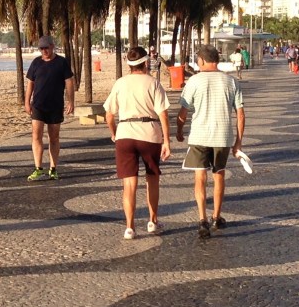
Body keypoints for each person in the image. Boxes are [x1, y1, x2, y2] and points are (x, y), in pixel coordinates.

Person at [175, 43, 245, 239]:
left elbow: (183, 112)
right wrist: (238, 142)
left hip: (199, 136)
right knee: (219, 174)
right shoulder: (231, 82)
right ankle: (216, 216)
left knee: (200, 177)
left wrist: (179, 130)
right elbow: (240, 114)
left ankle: (202, 218)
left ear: (202, 61)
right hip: (223, 136)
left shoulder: (194, 81)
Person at [103, 46, 172, 240]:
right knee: (152, 178)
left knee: (129, 183)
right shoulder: (153, 83)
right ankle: (153, 220)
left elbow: (109, 115)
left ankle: (130, 227)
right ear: (145, 62)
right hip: (149, 133)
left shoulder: (120, 83)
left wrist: (114, 133)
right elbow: (163, 113)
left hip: (125, 132)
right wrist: (167, 140)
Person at [25, 35, 75, 181]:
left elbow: (69, 82)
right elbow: (30, 84)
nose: (44, 51)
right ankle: (38, 168)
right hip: (38, 105)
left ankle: (53, 168)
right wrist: (27, 102)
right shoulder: (36, 63)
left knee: (54, 137)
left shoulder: (61, 62)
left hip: (55, 106)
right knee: (36, 135)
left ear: (53, 46)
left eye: (46, 47)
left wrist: (71, 101)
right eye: (41, 48)